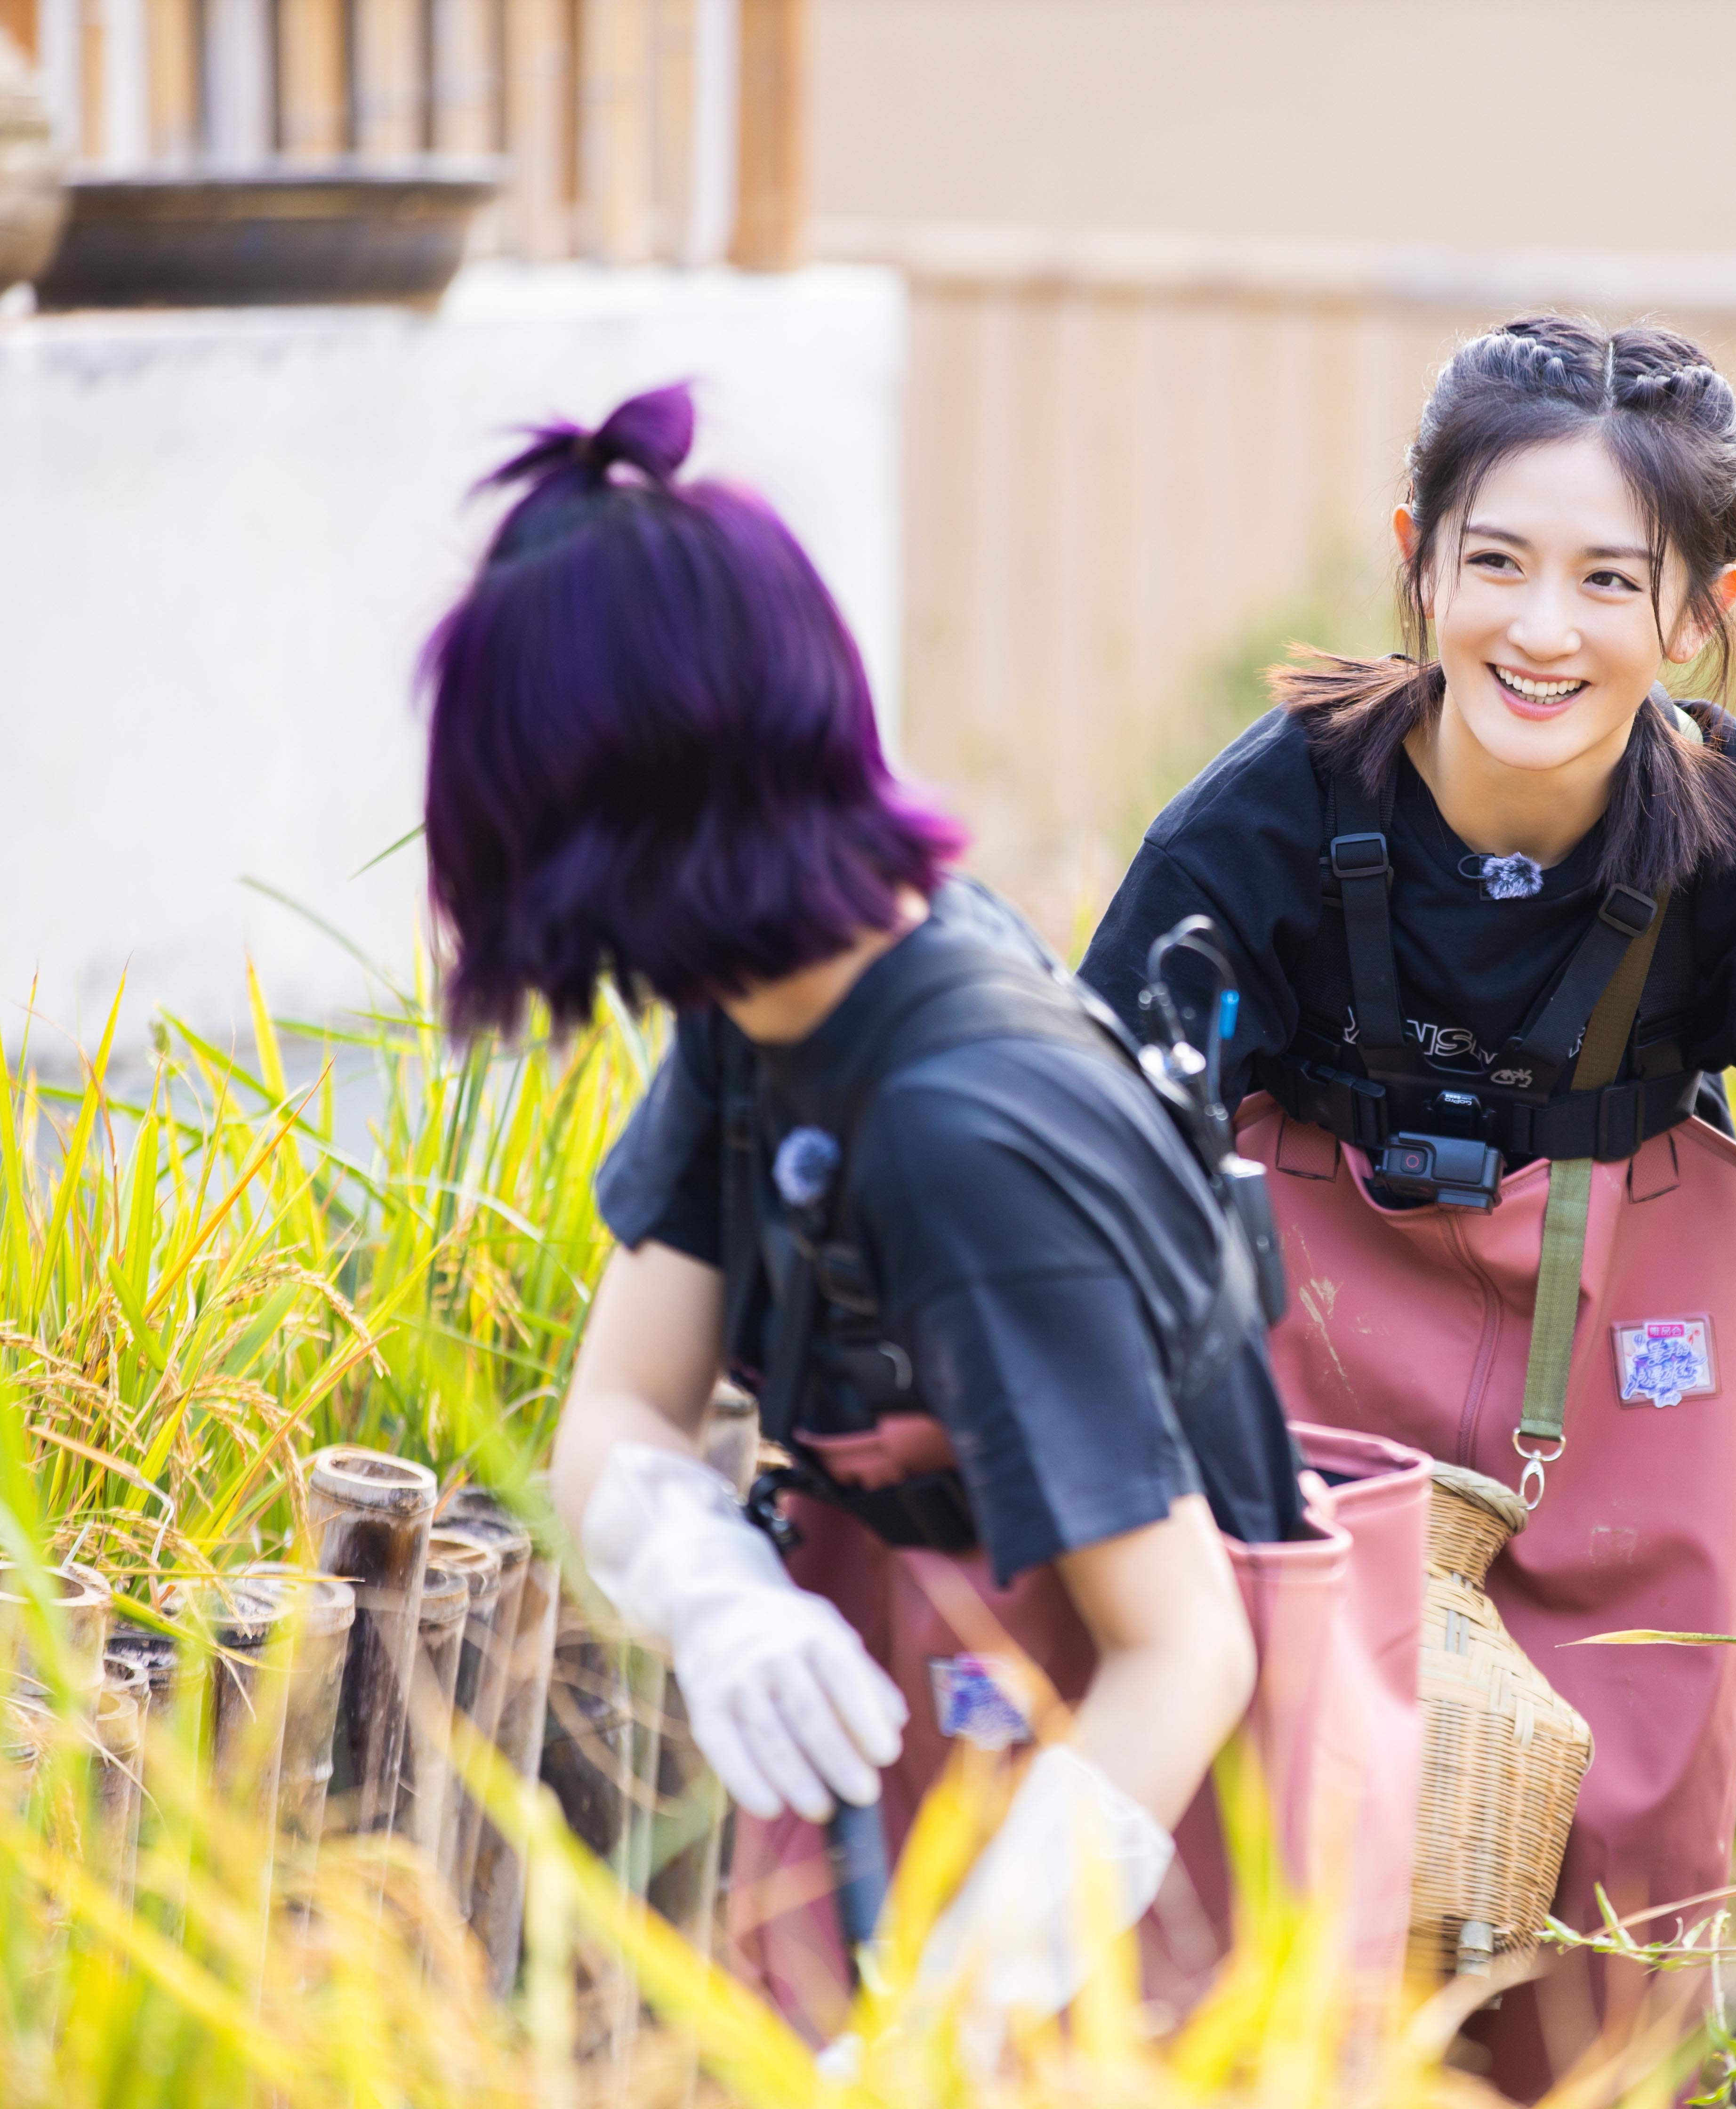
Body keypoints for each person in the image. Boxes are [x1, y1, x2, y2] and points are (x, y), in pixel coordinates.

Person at [1079, 314, 1736, 2090]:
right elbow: (1096, 1137)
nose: (1544, 629)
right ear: (1418, 560)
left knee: (1630, 1845)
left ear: (1701, 605)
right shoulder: (1262, 824)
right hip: (1306, 1374)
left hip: (1623, 1375)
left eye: (1609, 580)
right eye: (1496, 562)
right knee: (1277, 1820)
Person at [417, 383, 1314, 2039]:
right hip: (935, 1779)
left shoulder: (958, 1128)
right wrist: (710, 1588)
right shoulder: (770, 1008)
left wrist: (944, 2034)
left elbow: (1189, 1654)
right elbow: (618, 1411)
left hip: (1119, 1904)